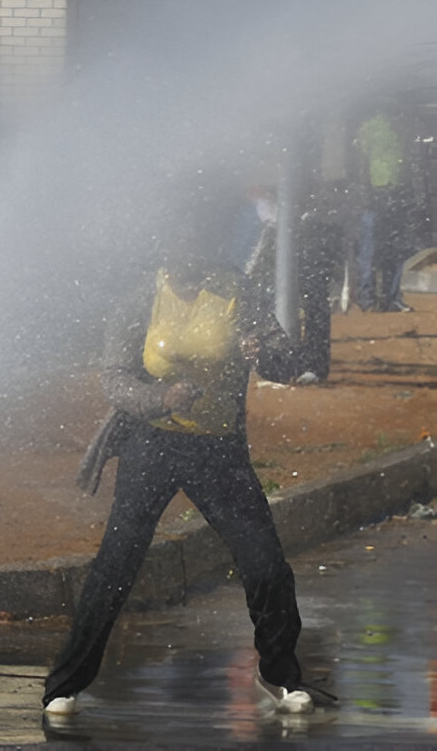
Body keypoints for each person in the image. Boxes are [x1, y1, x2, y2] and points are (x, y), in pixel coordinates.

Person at [44, 195, 322, 717]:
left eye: (197, 244)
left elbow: (287, 365)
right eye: (177, 244)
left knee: (266, 566)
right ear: (162, 247)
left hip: (219, 450)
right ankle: (65, 683)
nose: (187, 255)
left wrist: (267, 354)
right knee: (116, 565)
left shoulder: (240, 293)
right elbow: (114, 377)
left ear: (212, 246)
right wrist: (158, 399)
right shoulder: (138, 301)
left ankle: (279, 674)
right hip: (151, 446)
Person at [354, 103, 420, 313]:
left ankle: (377, 299)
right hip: (379, 199)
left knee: (377, 252)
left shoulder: (385, 130)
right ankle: (379, 299)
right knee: (377, 252)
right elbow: (362, 164)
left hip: (384, 199)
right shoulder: (379, 129)